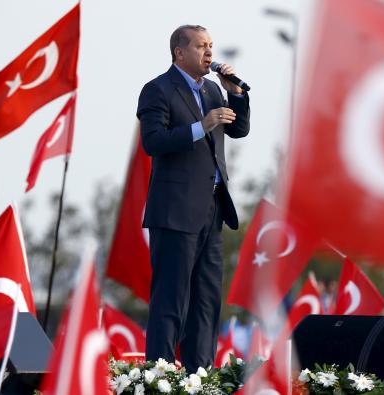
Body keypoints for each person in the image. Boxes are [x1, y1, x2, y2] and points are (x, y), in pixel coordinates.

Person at [136, 24, 250, 372]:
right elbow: (153, 142)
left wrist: (236, 95)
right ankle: (160, 376)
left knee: (206, 303)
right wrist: (201, 126)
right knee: (171, 302)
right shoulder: (158, 90)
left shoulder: (215, 91)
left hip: (212, 210)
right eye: (201, 46)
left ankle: (199, 377)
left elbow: (239, 129)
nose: (210, 53)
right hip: (174, 212)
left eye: (211, 45)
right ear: (179, 53)